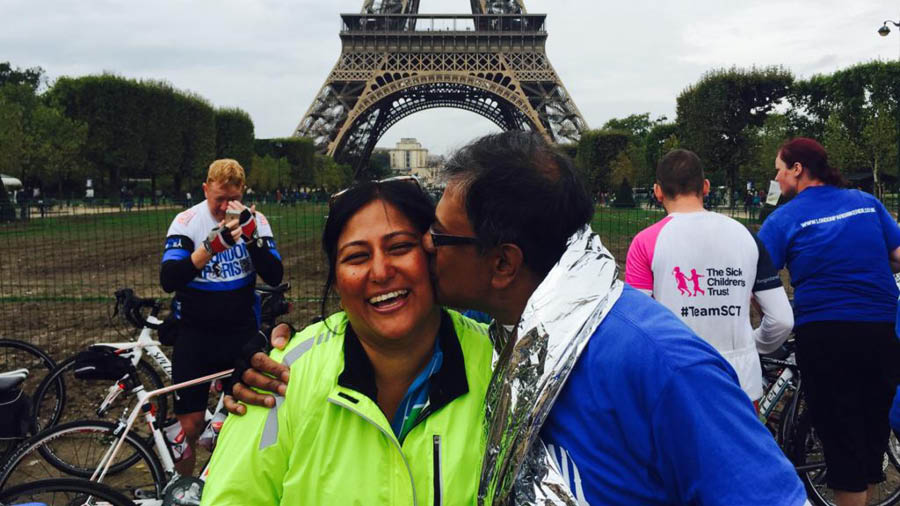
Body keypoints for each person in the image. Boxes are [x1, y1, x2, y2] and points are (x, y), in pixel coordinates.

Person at [233, 132, 806, 505]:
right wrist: (280, 360)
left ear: (502, 263)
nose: (425, 250)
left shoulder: (657, 361)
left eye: (436, 236)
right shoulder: (502, 344)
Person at [200, 178, 494, 505]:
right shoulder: (280, 374)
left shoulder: (498, 365)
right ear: (337, 282)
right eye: (356, 257)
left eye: (399, 247)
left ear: (432, 256)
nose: (380, 272)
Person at [758, 137, 900, 506]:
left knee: (840, 437)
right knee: (872, 431)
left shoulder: (783, 218)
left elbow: (756, 277)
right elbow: (898, 254)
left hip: (826, 331)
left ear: (797, 170)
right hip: (880, 329)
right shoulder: (865, 202)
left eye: (779, 169)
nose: (777, 177)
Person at [625, 149, 793, 402]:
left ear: (657, 191)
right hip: (740, 378)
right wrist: (750, 346)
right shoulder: (746, 236)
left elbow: (637, 325)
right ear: (705, 186)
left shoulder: (645, 242)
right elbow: (781, 320)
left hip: (674, 379)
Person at [160, 158, 283, 476]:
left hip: (240, 334)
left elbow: (273, 274)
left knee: (240, 423)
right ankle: (182, 487)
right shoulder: (187, 221)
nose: (226, 207)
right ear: (205, 189)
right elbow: (169, 278)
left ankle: (223, 485)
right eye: (219, 200)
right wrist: (209, 249)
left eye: (233, 199)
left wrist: (253, 237)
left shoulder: (256, 221)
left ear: (243, 191)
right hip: (196, 334)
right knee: (189, 425)